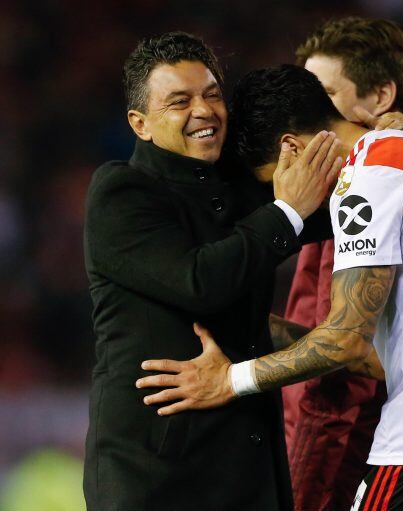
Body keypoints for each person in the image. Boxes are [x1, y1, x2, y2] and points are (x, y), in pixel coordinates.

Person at [137, 64, 403, 509]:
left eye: (275, 181)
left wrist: (231, 380)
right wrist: (247, 327)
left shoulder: (365, 176)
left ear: (291, 149)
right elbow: (384, 353)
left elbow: (344, 341)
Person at [83, 32, 342, 511]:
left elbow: (347, 206)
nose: (203, 111)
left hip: (249, 468)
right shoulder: (122, 193)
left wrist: (383, 136)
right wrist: (287, 212)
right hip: (158, 480)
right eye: (180, 101)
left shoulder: (241, 183)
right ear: (139, 124)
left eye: (212, 94)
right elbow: (199, 282)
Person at [282, 17, 403, 509]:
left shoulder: (373, 183)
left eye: (320, 96)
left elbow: (343, 373)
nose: (304, 117)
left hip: (353, 461)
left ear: (380, 96)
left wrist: (304, 494)